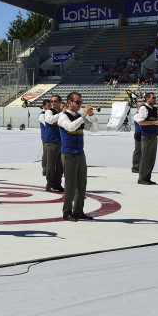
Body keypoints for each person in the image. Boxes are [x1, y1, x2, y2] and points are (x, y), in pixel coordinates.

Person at [57, 92, 99, 222]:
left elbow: (94, 129)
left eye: (80, 102)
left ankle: (79, 211)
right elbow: (70, 127)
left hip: (80, 153)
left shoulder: (79, 117)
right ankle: (67, 211)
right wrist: (84, 116)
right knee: (70, 184)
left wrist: (92, 116)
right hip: (69, 153)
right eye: (77, 102)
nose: (80, 104)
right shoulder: (63, 117)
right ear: (69, 102)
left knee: (82, 184)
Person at [134, 92, 158, 185]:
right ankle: (142, 178)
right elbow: (140, 122)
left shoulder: (154, 109)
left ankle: (147, 177)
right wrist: (154, 123)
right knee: (145, 157)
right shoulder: (143, 108)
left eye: (155, 98)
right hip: (146, 135)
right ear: (147, 99)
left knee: (152, 158)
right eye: (153, 98)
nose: (155, 99)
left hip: (154, 135)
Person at [41, 95, 65, 193]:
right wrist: (63, 113)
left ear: (60, 102)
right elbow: (50, 120)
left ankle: (57, 184)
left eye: (55, 101)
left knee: (60, 166)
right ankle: (50, 184)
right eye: (52, 101)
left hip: (61, 142)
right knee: (51, 165)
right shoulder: (49, 111)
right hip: (51, 142)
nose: (53, 103)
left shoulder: (61, 113)